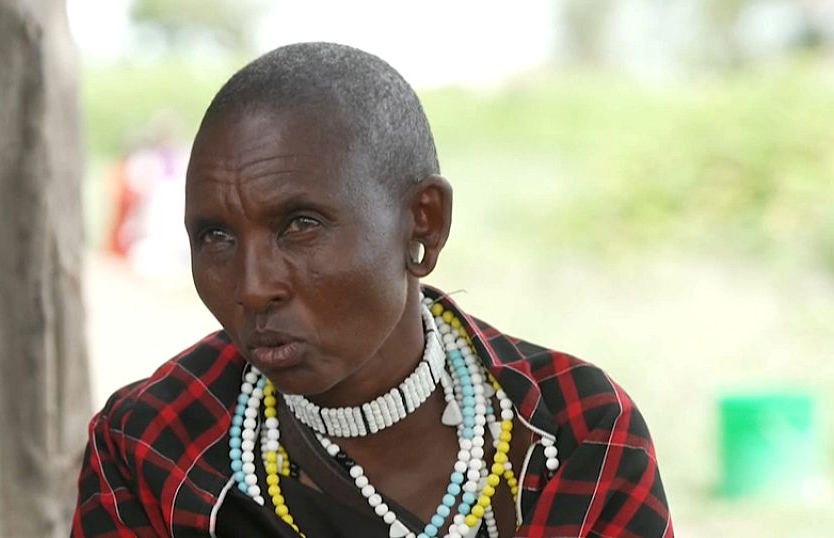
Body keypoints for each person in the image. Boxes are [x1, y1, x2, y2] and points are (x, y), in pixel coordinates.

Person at [71, 43, 672, 538]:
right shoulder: (154, 445)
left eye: (300, 225)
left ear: (424, 222)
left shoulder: (572, 432)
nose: (253, 287)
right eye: (216, 236)